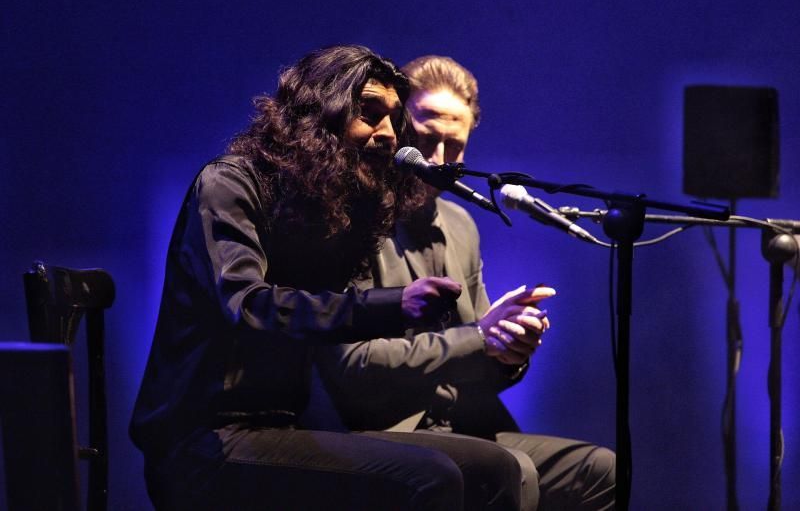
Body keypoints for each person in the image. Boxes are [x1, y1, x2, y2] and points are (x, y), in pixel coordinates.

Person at [129, 45, 551, 510]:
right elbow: (247, 306)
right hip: (205, 438)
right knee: (429, 477)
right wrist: (395, 304)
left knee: (496, 468)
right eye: (370, 115)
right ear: (317, 116)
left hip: (285, 429)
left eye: (394, 119)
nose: (389, 135)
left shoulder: (329, 205)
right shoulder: (230, 184)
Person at [308, 56, 616, 510]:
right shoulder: (349, 218)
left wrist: (511, 348)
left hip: (463, 425)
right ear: (396, 128)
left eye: (455, 148)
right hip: (381, 432)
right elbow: (352, 366)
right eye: (426, 140)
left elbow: (479, 354)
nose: (438, 161)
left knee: (603, 471)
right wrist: (477, 338)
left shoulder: (461, 224)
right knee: (504, 470)